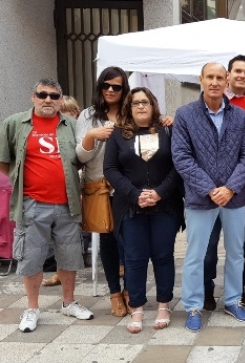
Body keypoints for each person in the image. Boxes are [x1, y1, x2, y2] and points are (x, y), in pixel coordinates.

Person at [0, 78, 94, 333]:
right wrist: (25, 185)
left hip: (67, 204)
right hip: (32, 204)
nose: (48, 100)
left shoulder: (71, 125)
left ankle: (69, 302)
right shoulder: (14, 124)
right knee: (32, 258)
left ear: (61, 100)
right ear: (33, 96)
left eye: (54, 96)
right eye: (42, 95)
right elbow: (4, 160)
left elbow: (83, 156)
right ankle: (32, 308)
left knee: (69, 255)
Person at [172, 62, 245, 331]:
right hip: (200, 198)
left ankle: (232, 300)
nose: (215, 82)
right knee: (195, 255)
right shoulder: (185, 115)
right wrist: (210, 189)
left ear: (227, 80)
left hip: (234, 198)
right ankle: (193, 305)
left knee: (236, 253)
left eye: (220, 77)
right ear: (201, 79)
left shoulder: (240, 116)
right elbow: (181, 158)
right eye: (210, 77)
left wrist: (230, 188)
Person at [104, 87, 184, 333]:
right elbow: (110, 169)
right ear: (129, 106)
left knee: (162, 256)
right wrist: (135, 194)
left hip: (165, 206)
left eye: (145, 102)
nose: (141, 106)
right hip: (131, 207)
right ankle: (137, 307)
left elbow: (178, 165)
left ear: (153, 106)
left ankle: (163, 305)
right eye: (136, 102)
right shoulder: (118, 135)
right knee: (134, 259)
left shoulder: (168, 131)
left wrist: (159, 192)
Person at [75, 67, 130, 317]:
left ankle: (131, 290)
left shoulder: (130, 112)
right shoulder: (88, 115)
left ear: (123, 89)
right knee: (108, 243)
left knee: (131, 242)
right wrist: (91, 136)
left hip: (128, 187)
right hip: (100, 186)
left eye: (116, 87)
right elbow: (80, 156)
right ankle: (114, 293)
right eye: (106, 85)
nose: (110, 90)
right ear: (100, 87)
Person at [203, 54, 245, 309]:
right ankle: (206, 291)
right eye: (238, 71)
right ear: (229, 77)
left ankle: (237, 293)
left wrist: (231, 186)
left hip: (237, 191)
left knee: (238, 248)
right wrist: (211, 188)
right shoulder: (201, 109)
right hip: (206, 193)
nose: (242, 76)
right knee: (207, 249)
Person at [42, 95, 82, 288]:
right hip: (61, 192)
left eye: (68, 111)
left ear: (76, 113)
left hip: (80, 186)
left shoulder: (79, 131)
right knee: (60, 235)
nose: (65, 115)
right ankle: (60, 273)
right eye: (61, 111)